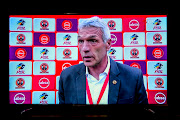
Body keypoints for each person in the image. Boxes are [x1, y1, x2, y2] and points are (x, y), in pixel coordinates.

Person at [59, 16, 148, 104]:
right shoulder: (67, 77)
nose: (84, 48)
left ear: (108, 44)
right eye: (81, 41)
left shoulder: (133, 77)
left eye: (93, 40)